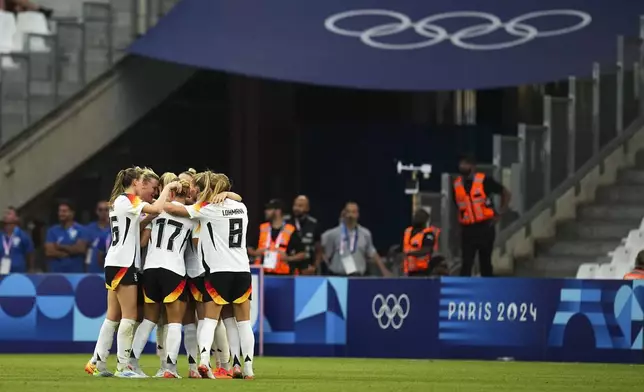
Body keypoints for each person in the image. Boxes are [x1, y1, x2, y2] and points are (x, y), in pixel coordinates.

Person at [164, 171, 254, 379]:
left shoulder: (206, 209)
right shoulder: (241, 207)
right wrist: (231, 195)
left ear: (207, 189)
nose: (193, 189)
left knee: (210, 320)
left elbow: (171, 209)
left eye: (196, 186)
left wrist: (168, 192)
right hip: (242, 270)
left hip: (218, 271)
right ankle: (245, 368)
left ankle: (204, 361)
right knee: (242, 323)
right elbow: (236, 198)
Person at [85, 166, 172, 378]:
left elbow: (136, 226)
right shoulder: (130, 201)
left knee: (112, 316)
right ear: (137, 184)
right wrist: (168, 187)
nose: (151, 192)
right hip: (125, 263)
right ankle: (123, 366)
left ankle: (97, 362)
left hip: (114, 261)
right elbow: (157, 208)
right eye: (150, 187)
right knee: (130, 316)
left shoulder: (119, 202)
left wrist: (150, 217)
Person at [128, 178, 195, 378]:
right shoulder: (191, 216)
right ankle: (170, 368)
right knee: (174, 322)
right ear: (187, 194)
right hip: (173, 269)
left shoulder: (156, 211)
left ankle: (131, 363)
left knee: (148, 320)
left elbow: (143, 241)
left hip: (150, 268)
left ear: (172, 192)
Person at [179, 169, 231, 379]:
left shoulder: (205, 209)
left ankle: (223, 364)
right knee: (188, 321)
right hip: (184, 270)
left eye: (189, 184)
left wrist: (228, 194)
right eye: (182, 184)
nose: (187, 189)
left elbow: (198, 241)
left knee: (211, 320)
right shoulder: (189, 209)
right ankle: (194, 367)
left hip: (202, 270)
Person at [453, 155, 510, 277]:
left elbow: (505, 193)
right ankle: (464, 293)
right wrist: (459, 226)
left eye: (466, 164)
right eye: (461, 164)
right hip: (467, 229)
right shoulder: (457, 185)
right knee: (466, 264)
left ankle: (487, 291)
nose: (463, 167)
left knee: (485, 263)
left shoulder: (484, 181)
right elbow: (459, 207)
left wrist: (500, 213)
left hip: (485, 227)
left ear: (473, 167)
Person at [319, 202, 391, 277]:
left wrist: (384, 271)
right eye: (348, 212)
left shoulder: (365, 233)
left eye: (353, 212)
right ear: (344, 214)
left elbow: (372, 252)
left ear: (358, 214)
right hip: (337, 277)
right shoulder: (332, 234)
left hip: (357, 277)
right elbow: (324, 252)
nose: (350, 215)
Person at [248, 199, 306, 275]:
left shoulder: (290, 230)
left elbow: (302, 254)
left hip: (282, 275)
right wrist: (255, 253)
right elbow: (248, 248)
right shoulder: (262, 228)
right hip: (261, 275)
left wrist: (288, 258)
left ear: (278, 211)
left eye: (269, 209)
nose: (266, 211)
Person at [44, 200, 88, 273]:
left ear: (72, 213)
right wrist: (67, 252)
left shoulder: (81, 230)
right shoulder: (52, 231)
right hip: (56, 273)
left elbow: (80, 249)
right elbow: (49, 252)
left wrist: (60, 247)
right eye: (60, 211)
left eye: (64, 211)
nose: (61, 214)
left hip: (76, 273)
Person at [284, 195, 320, 275]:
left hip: (307, 267)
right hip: (288, 267)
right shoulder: (286, 222)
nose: (296, 208)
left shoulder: (313, 224)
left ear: (307, 208)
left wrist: (315, 267)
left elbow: (319, 249)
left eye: (300, 206)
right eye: (295, 205)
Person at [402, 209, 441, 277]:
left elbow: (426, 250)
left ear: (425, 220)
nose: (416, 218)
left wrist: (410, 254)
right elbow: (404, 246)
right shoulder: (407, 231)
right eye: (415, 216)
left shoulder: (428, 234)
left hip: (422, 271)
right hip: (407, 270)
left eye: (419, 216)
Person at [0, 207, 35, 274]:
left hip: (19, 273)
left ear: (16, 218)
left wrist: (31, 269)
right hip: (2, 274)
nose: (6, 215)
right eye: (5, 213)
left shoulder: (23, 235)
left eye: (9, 213)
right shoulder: (1, 235)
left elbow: (30, 253)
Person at [85, 201, 111, 273]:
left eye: (106, 209)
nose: (103, 212)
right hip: (93, 269)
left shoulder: (115, 228)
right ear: (96, 211)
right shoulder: (89, 228)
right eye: (100, 210)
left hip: (110, 270)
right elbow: (86, 251)